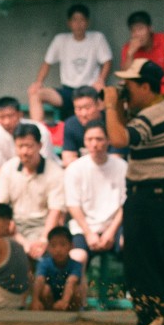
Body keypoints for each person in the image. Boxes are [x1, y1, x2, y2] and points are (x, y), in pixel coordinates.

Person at [105, 59, 164, 325]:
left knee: (141, 266)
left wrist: (109, 105)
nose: (124, 90)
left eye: (129, 86)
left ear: (145, 86)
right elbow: (130, 130)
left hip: (148, 198)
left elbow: (117, 138)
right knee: (162, 265)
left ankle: (150, 324)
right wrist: (123, 105)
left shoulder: (150, 118)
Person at [63, 120, 126, 306]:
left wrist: (111, 232)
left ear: (108, 141)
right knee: (77, 257)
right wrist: (89, 233)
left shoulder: (122, 167)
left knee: (131, 245)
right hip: (84, 226)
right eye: (89, 139)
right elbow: (73, 205)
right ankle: (79, 306)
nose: (94, 144)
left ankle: (134, 300)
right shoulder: (75, 168)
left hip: (114, 225)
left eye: (99, 138)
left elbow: (125, 203)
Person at [27, 4, 113, 123]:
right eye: (74, 20)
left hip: (89, 90)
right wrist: (38, 82)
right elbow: (47, 63)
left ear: (87, 22)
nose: (78, 24)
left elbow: (107, 61)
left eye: (82, 20)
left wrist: (100, 80)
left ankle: (101, 130)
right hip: (67, 92)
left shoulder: (97, 38)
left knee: (107, 99)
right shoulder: (60, 39)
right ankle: (39, 131)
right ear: (69, 23)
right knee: (35, 93)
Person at [0, 123, 65, 260]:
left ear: (40, 146)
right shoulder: (8, 168)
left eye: (29, 146)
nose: (24, 151)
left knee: (39, 253)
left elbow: (55, 211)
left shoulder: (55, 172)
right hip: (13, 225)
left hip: (41, 226)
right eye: (20, 146)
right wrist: (20, 238)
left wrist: (44, 239)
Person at [31, 226, 83, 311]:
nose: (58, 249)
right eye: (53, 245)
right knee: (45, 289)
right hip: (50, 299)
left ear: (71, 246)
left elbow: (71, 282)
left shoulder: (76, 265)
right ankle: (50, 312)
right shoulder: (44, 263)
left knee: (76, 291)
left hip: (68, 300)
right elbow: (39, 280)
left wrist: (64, 302)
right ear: (48, 248)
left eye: (63, 244)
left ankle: (72, 314)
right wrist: (35, 300)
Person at [59, 88, 102, 165]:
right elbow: (68, 159)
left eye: (88, 108)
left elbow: (116, 157)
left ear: (98, 104)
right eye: (79, 109)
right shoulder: (70, 124)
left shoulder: (111, 122)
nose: (83, 113)